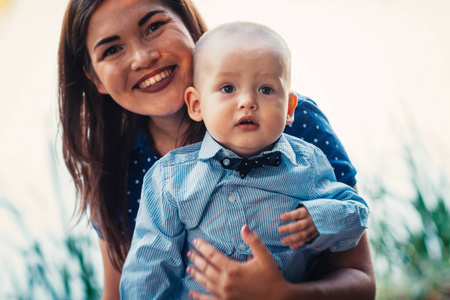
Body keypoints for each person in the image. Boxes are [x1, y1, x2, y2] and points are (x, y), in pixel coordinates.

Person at [57, 0, 375, 299]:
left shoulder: (292, 123)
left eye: (153, 27)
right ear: (94, 78)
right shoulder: (114, 170)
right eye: (112, 49)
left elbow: (361, 281)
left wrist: (285, 295)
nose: (143, 57)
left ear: (190, 27)